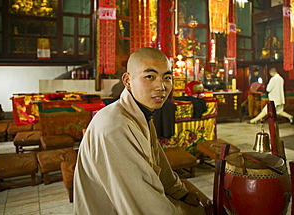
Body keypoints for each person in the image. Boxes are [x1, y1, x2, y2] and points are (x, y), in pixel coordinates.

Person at [74, 47, 206, 214]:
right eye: (150, 76)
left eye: (167, 77)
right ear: (128, 80)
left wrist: (180, 192)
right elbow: (144, 204)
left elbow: (159, 162)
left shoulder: (138, 113)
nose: (161, 86)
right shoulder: (116, 127)